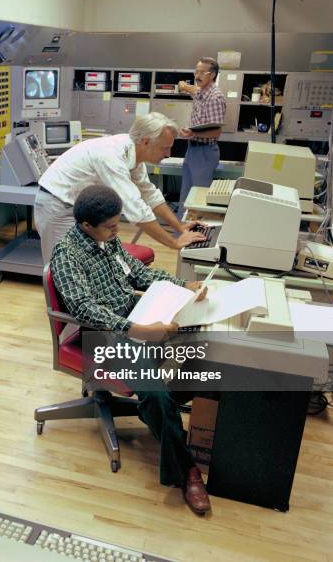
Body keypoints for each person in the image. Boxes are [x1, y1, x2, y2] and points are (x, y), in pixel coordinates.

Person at [49, 184, 211, 515]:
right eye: (110, 226)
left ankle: (164, 419)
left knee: (202, 347)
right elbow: (83, 309)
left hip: (136, 317)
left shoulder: (107, 240)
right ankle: (186, 473)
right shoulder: (67, 256)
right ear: (86, 226)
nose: (116, 231)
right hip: (104, 334)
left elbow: (137, 273)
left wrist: (183, 286)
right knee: (156, 394)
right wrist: (138, 330)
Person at [34, 112, 206, 265]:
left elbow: (150, 194)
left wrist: (180, 228)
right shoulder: (112, 156)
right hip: (57, 204)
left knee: (90, 265)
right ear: (146, 142)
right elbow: (137, 210)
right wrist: (174, 243)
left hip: (81, 209)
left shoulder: (134, 153)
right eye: (165, 148)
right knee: (62, 266)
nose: (168, 154)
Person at [177, 57, 227, 218]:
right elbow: (194, 90)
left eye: (201, 73)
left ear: (212, 75)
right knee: (186, 198)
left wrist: (192, 133)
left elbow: (215, 132)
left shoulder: (215, 98)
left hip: (205, 152)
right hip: (193, 150)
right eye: (196, 72)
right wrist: (183, 86)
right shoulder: (201, 91)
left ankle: (197, 238)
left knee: (197, 201)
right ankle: (181, 236)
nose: (197, 76)